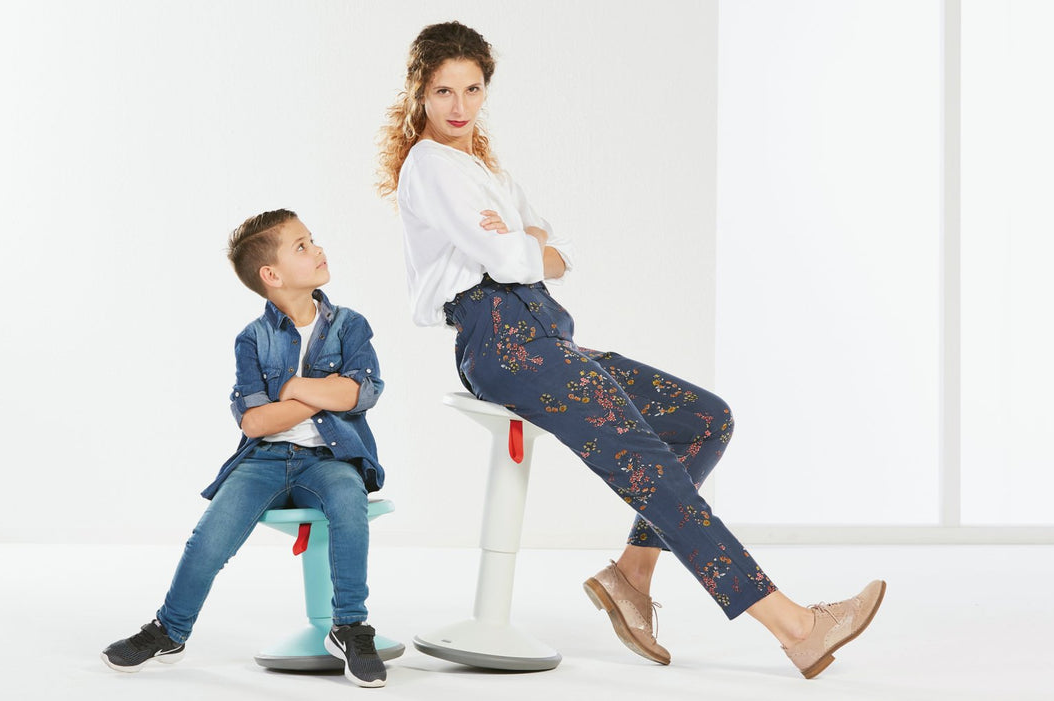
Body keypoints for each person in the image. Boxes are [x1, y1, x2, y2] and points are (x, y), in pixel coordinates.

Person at [378, 21, 884, 679]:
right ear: (420, 92)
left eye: (472, 89)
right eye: (444, 90)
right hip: (502, 342)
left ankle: (632, 575)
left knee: (706, 419)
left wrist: (529, 246)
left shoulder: (482, 169)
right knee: (646, 461)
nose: (458, 105)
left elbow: (550, 244)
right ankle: (796, 626)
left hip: (544, 336)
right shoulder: (429, 165)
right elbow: (513, 257)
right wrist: (528, 248)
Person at [100, 209, 391, 688]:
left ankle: (350, 627)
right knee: (208, 538)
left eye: (312, 239)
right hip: (264, 461)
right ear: (271, 275)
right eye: (302, 246)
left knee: (348, 503)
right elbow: (255, 421)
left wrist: (291, 389)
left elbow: (363, 393)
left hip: (331, 458)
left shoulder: (350, 326)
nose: (318, 249)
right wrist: (321, 391)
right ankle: (169, 630)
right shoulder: (252, 339)